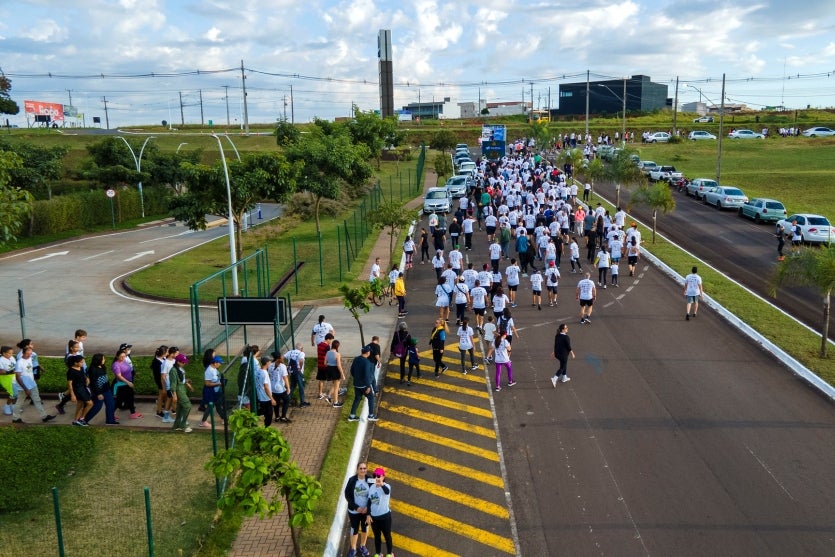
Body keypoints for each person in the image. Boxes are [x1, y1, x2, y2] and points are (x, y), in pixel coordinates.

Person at [11, 345, 55, 423]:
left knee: (37, 400)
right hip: (23, 387)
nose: (30, 355)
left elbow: (31, 370)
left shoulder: (29, 359)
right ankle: (15, 418)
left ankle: (44, 416)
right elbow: (18, 377)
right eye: (29, 353)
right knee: (20, 401)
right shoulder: (19, 363)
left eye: (31, 353)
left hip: (32, 384)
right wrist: (26, 388)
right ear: (23, 353)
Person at [344, 462, 374, 557]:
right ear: (357, 470)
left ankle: (362, 546)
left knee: (365, 528)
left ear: (366, 469)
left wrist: (367, 509)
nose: (362, 470)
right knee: (354, 528)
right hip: (354, 511)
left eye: (364, 468)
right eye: (360, 468)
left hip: (366, 511)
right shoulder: (352, 480)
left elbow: (373, 495)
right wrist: (356, 507)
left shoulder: (370, 480)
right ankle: (353, 548)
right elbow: (347, 496)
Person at [367, 467, 394, 557]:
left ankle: (390, 553)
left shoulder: (387, 486)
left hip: (385, 517)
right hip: (374, 518)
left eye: (379, 476)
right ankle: (378, 553)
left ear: (383, 477)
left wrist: (381, 484)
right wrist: (368, 514)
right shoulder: (371, 487)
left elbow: (386, 492)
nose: (377, 477)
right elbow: (369, 501)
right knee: (377, 537)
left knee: (387, 536)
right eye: (375, 476)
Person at [85, 353, 118, 425]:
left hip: (107, 390)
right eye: (103, 359)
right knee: (97, 407)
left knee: (111, 405)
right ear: (98, 360)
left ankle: (110, 421)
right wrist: (98, 393)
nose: (104, 360)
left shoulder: (102, 367)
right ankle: (84, 420)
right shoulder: (93, 369)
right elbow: (93, 383)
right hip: (99, 392)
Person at [348, 345, 378, 422]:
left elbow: (352, 371)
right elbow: (367, 375)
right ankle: (371, 415)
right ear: (368, 353)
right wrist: (368, 386)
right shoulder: (367, 362)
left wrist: (357, 378)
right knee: (371, 398)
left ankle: (352, 416)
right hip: (364, 385)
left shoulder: (356, 359)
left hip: (356, 384)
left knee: (357, 399)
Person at [112, 348, 141, 419]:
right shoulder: (116, 365)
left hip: (127, 383)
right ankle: (110, 414)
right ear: (117, 356)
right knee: (119, 400)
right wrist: (128, 382)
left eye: (124, 356)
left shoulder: (124, 361)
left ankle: (133, 413)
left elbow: (129, 369)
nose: (123, 358)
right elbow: (119, 376)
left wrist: (134, 374)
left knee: (130, 398)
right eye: (121, 357)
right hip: (122, 385)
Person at [199, 356, 227, 428]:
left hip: (216, 390)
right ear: (215, 363)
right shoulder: (209, 371)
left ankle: (223, 419)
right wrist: (219, 384)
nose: (220, 364)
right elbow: (207, 383)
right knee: (210, 406)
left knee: (218, 405)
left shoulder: (214, 368)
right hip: (210, 391)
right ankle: (203, 422)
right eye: (219, 363)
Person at [66, 354, 92, 426]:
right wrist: (72, 395)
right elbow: (69, 384)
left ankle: (75, 421)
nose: (82, 363)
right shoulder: (71, 371)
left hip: (83, 387)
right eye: (81, 362)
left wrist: (86, 378)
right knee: (90, 403)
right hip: (78, 389)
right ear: (75, 363)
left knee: (80, 405)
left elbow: (83, 375)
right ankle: (81, 419)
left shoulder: (81, 368)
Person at [170, 353, 193, 432]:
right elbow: (173, 383)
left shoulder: (180, 369)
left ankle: (177, 425)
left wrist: (187, 383)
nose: (184, 363)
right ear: (178, 362)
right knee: (187, 406)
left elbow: (181, 380)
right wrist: (174, 395)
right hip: (179, 390)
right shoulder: (173, 370)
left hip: (182, 389)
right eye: (183, 362)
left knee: (180, 408)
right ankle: (183, 425)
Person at [284, 342, 309, 407]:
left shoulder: (290, 352)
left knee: (292, 386)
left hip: (291, 372)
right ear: (302, 348)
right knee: (301, 387)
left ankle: (287, 400)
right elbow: (301, 360)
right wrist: (300, 368)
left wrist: (285, 365)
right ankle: (302, 402)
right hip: (298, 372)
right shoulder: (301, 353)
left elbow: (282, 357)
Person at [254, 356, 276, 427]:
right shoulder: (265, 373)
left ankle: (253, 415)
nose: (270, 363)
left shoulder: (258, 371)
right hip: (266, 397)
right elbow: (266, 387)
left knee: (263, 411)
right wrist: (272, 398)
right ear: (267, 363)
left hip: (260, 396)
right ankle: (266, 428)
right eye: (270, 361)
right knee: (269, 415)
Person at [326, 340, 346, 408]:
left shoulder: (328, 352)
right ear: (337, 346)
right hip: (335, 370)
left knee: (334, 384)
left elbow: (325, 363)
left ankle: (328, 396)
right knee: (337, 387)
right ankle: (335, 402)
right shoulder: (337, 354)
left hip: (329, 369)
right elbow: (339, 365)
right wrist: (342, 374)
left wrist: (330, 364)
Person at [316, 333, 334, 400]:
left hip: (320, 364)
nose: (331, 342)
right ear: (328, 339)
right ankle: (336, 390)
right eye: (331, 340)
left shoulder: (319, 344)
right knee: (334, 379)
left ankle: (320, 394)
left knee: (321, 380)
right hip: (325, 365)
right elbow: (328, 356)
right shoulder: (327, 346)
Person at [0, 346, 17, 416]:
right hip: (6, 378)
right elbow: (1, 371)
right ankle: (6, 407)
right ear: (4, 353)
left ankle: (13, 406)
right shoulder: (1, 360)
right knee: (13, 393)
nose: (11, 355)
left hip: (14, 377)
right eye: (9, 353)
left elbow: (15, 366)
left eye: (12, 353)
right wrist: (11, 372)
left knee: (16, 393)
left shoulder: (11, 358)